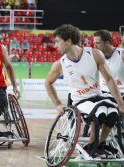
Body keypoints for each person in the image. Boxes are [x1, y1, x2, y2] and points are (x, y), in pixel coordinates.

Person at [45, 24, 124, 157]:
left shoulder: (94, 54)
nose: (55, 45)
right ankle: (92, 146)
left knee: (113, 112)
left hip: (98, 96)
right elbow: (48, 83)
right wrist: (57, 103)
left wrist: (120, 102)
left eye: (57, 41)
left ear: (68, 41)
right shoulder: (60, 64)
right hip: (80, 101)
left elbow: (110, 80)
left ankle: (98, 145)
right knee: (100, 113)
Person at [93, 30, 124, 95]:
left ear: (107, 43)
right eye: (94, 43)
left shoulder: (121, 54)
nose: (94, 46)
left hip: (121, 93)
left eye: (98, 43)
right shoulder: (96, 57)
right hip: (102, 93)